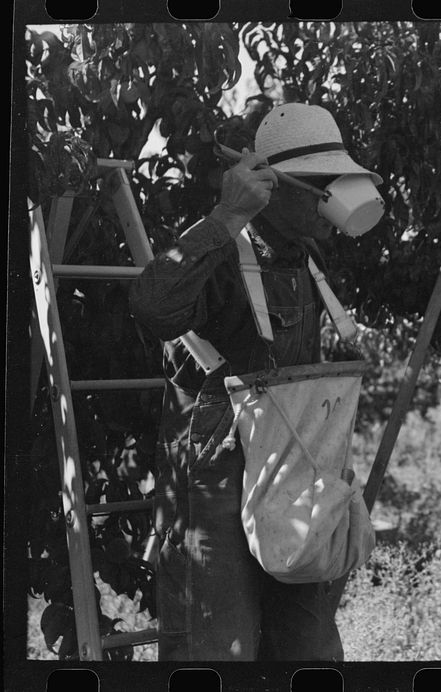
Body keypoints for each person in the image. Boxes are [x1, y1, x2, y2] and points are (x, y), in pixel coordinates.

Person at [130, 103, 378, 661]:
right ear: (275, 187)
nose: (332, 198)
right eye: (322, 183)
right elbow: (150, 306)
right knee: (218, 645)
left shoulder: (304, 257)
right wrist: (224, 215)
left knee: (308, 644)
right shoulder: (223, 250)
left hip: (292, 470)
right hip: (214, 475)